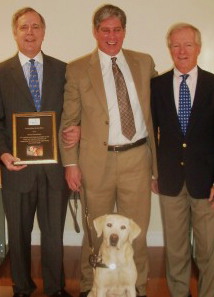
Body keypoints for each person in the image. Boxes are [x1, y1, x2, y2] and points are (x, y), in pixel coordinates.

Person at [59, 4, 158, 297]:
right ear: (95, 32)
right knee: (96, 233)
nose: (111, 36)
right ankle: (91, 288)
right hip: (94, 162)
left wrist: (157, 168)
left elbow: (157, 113)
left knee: (136, 233)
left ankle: (137, 289)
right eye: (105, 30)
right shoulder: (77, 69)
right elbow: (69, 121)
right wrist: (70, 164)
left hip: (137, 158)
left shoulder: (143, 62)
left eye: (117, 30)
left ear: (124, 32)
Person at [0, 7, 78, 297]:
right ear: (15, 32)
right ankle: (21, 287)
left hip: (54, 168)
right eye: (24, 27)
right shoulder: (1, 72)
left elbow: (73, 113)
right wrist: (3, 153)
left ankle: (55, 288)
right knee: (18, 235)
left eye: (35, 26)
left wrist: (77, 129)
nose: (30, 32)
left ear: (44, 31)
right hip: (16, 169)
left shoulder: (63, 69)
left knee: (53, 233)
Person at [151, 23, 214, 297]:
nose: (181, 50)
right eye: (176, 45)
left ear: (198, 48)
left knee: (208, 249)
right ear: (170, 49)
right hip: (170, 180)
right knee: (176, 249)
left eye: (188, 44)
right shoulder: (157, 86)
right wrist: (153, 173)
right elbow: (151, 133)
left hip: (206, 182)